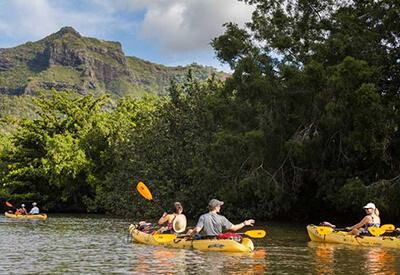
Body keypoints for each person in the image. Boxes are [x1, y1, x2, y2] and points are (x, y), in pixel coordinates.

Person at [188, 199, 255, 237]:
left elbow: (196, 230)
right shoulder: (222, 218)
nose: (220, 207)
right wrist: (245, 223)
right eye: (219, 206)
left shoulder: (203, 217)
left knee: (190, 231)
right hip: (217, 239)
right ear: (216, 207)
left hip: (205, 240)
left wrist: (190, 235)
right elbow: (234, 228)